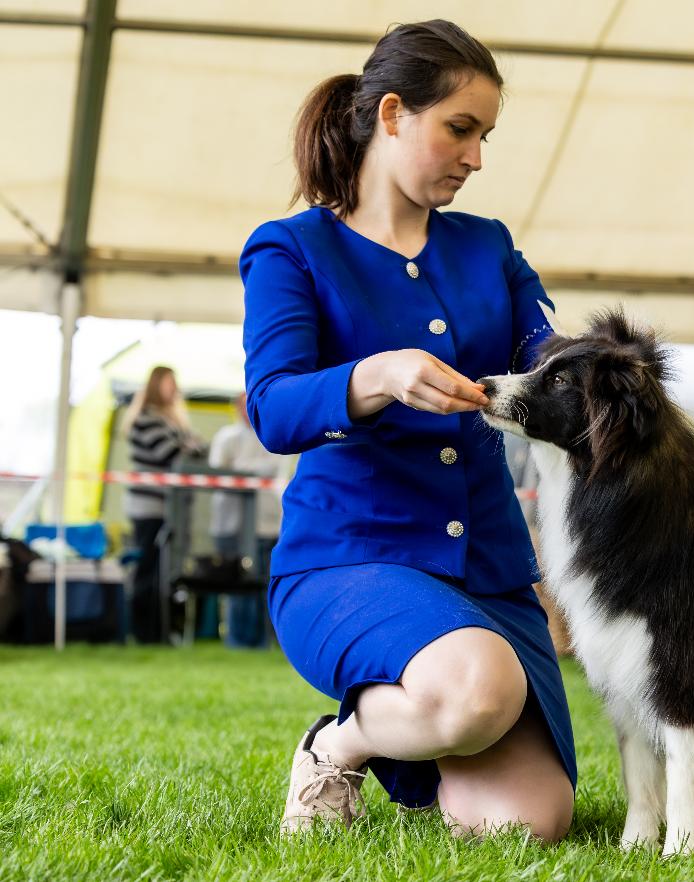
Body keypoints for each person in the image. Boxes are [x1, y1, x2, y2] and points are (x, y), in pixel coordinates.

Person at [240, 20, 574, 842]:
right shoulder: (290, 249)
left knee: (528, 824)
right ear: (391, 114)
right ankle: (338, 745)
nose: (477, 156)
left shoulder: (490, 247)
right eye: (460, 128)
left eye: (485, 135)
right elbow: (273, 407)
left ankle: (430, 723)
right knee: (477, 693)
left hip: (489, 571)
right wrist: (375, 375)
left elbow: (552, 365)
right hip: (349, 562)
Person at [121, 365, 206, 643]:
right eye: (169, 382)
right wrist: (189, 447)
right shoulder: (146, 419)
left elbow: (198, 447)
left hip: (168, 508)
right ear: (156, 385)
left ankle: (160, 632)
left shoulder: (172, 420)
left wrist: (190, 446)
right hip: (148, 508)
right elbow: (171, 454)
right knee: (148, 570)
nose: (174, 388)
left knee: (163, 573)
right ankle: (143, 633)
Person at [208, 392, 289, 648]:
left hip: (267, 523)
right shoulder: (226, 437)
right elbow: (218, 471)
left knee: (264, 584)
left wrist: (242, 468)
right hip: (232, 524)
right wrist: (254, 469)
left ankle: (262, 640)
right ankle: (236, 639)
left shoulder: (273, 435)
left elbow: (274, 468)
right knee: (237, 583)